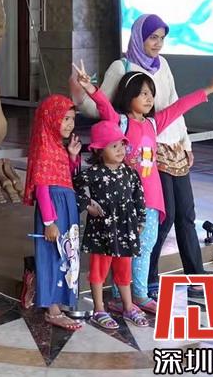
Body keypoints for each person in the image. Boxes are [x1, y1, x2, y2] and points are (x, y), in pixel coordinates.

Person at [72, 14, 213, 303]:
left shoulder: (160, 82)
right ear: (139, 37)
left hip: (168, 156)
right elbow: (103, 108)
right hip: (140, 170)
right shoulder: (122, 72)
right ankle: (139, 287)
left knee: (179, 218)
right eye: (152, 37)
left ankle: (176, 284)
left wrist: (188, 136)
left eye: (162, 38)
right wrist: (86, 91)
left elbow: (176, 105)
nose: (158, 43)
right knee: (147, 231)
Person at [74, 120, 148, 330]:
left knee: (124, 269)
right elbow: (73, 188)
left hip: (125, 229)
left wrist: (141, 219)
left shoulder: (130, 173)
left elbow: (139, 197)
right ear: (99, 150)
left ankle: (128, 306)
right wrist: (87, 204)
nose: (120, 150)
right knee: (99, 270)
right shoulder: (93, 173)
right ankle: (99, 309)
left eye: (122, 145)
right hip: (102, 230)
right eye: (113, 146)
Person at [23, 94, 84, 330]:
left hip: (65, 206)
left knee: (65, 254)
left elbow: (64, 176)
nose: (69, 124)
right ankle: (52, 309)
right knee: (52, 255)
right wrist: (49, 222)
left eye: (72, 119)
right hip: (54, 211)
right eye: (64, 118)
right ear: (51, 118)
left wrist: (72, 157)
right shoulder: (44, 147)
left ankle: (55, 296)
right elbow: (42, 187)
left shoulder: (57, 145)